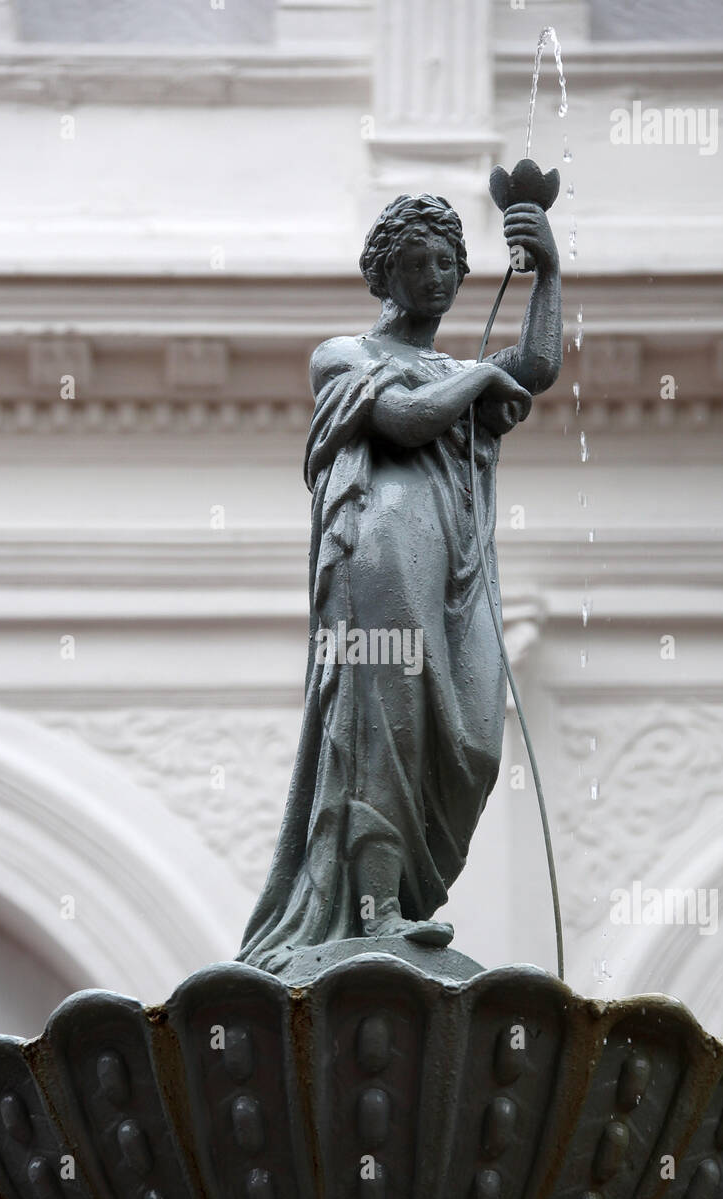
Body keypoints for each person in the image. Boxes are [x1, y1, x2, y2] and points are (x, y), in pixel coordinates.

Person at [238, 190, 562, 972]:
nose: (437, 277)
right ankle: (378, 907)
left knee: (477, 741)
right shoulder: (343, 355)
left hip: (457, 557)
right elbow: (406, 421)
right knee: (388, 720)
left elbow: (537, 366)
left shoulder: (459, 369)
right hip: (379, 546)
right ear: (384, 273)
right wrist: (481, 381)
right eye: (417, 263)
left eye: (450, 263)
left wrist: (547, 272)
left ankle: (404, 897)